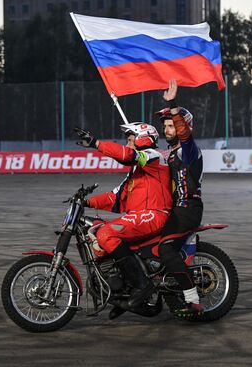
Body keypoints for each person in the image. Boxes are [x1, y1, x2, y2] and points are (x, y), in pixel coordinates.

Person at [74, 123, 172, 314]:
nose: (127, 143)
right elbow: (115, 199)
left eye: (130, 139)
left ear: (143, 138)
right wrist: (85, 202)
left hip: (154, 214)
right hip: (138, 217)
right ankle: (122, 290)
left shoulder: (155, 157)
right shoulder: (135, 172)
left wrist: (96, 143)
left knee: (105, 234)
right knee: (94, 229)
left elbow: (128, 156)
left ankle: (142, 285)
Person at [155, 79, 205, 317]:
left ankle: (192, 298)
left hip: (187, 210)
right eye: (165, 126)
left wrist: (173, 104)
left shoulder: (190, 150)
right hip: (172, 210)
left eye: (171, 125)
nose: (167, 129)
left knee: (165, 250)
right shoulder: (170, 153)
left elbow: (184, 135)